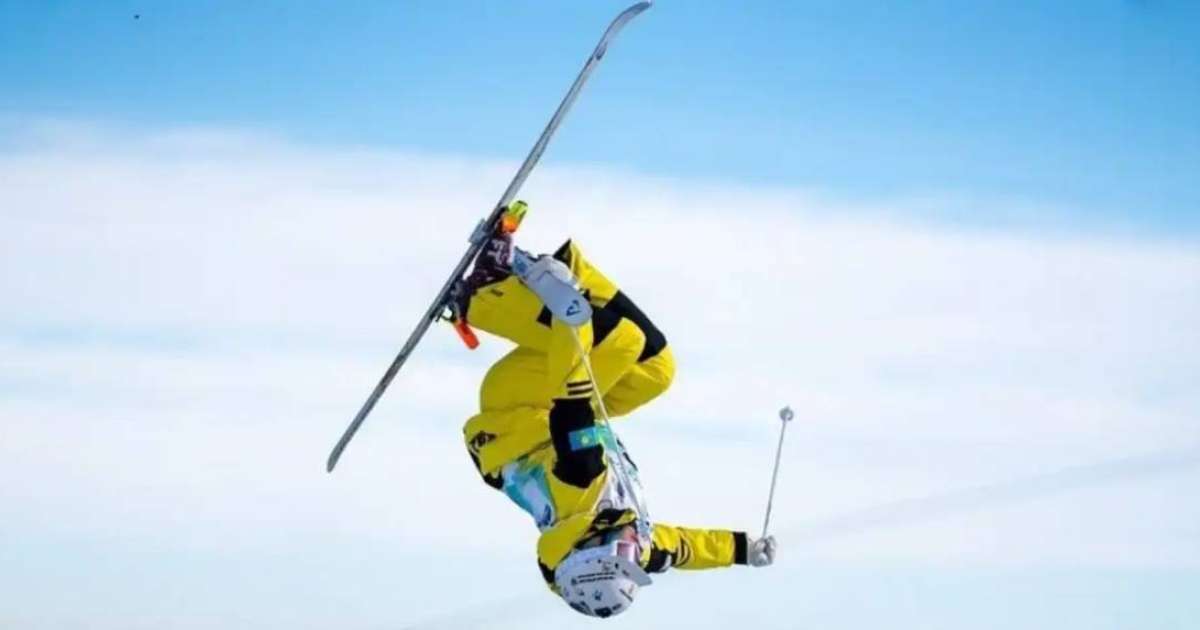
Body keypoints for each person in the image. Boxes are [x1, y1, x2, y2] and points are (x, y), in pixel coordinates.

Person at [453, 202, 777, 619]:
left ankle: (482, 296)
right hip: (541, 412)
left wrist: (567, 307)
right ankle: (557, 270)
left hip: (516, 405)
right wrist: (742, 550)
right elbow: (680, 549)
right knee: (655, 371)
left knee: (619, 342)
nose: (634, 547)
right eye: (633, 558)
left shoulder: (581, 481)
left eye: (621, 552)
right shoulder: (631, 538)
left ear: (591, 547)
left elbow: (573, 401)